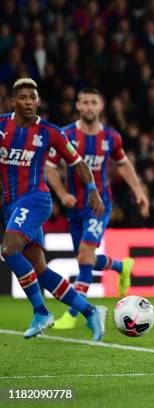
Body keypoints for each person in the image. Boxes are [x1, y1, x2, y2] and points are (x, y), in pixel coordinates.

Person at [1, 78, 107, 340]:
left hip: (36, 199)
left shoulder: (49, 132)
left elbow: (78, 162)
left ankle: (40, 311)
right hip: (10, 205)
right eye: (23, 97)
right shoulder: (2, 125)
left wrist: (92, 189)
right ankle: (90, 311)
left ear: (38, 101)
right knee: (40, 269)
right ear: (14, 101)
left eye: (33, 98)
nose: (28, 102)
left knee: (8, 249)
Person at [46, 87, 149, 330]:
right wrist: (62, 193)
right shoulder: (66, 134)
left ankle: (74, 313)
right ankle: (122, 267)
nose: (90, 107)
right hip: (75, 208)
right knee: (86, 259)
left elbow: (123, 165)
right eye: (85, 102)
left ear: (101, 106)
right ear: (78, 106)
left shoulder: (111, 138)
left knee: (84, 255)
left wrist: (139, 191)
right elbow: (49, 167)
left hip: (99, 204)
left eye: (94, 102)